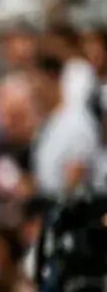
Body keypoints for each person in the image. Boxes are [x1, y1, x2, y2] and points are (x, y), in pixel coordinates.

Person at [31, 52, 99, 196]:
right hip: (47, 201)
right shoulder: (51, 121)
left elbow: (76, 177)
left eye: (36, 81)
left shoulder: (77, 120)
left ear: (51, 77)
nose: (34, 90)